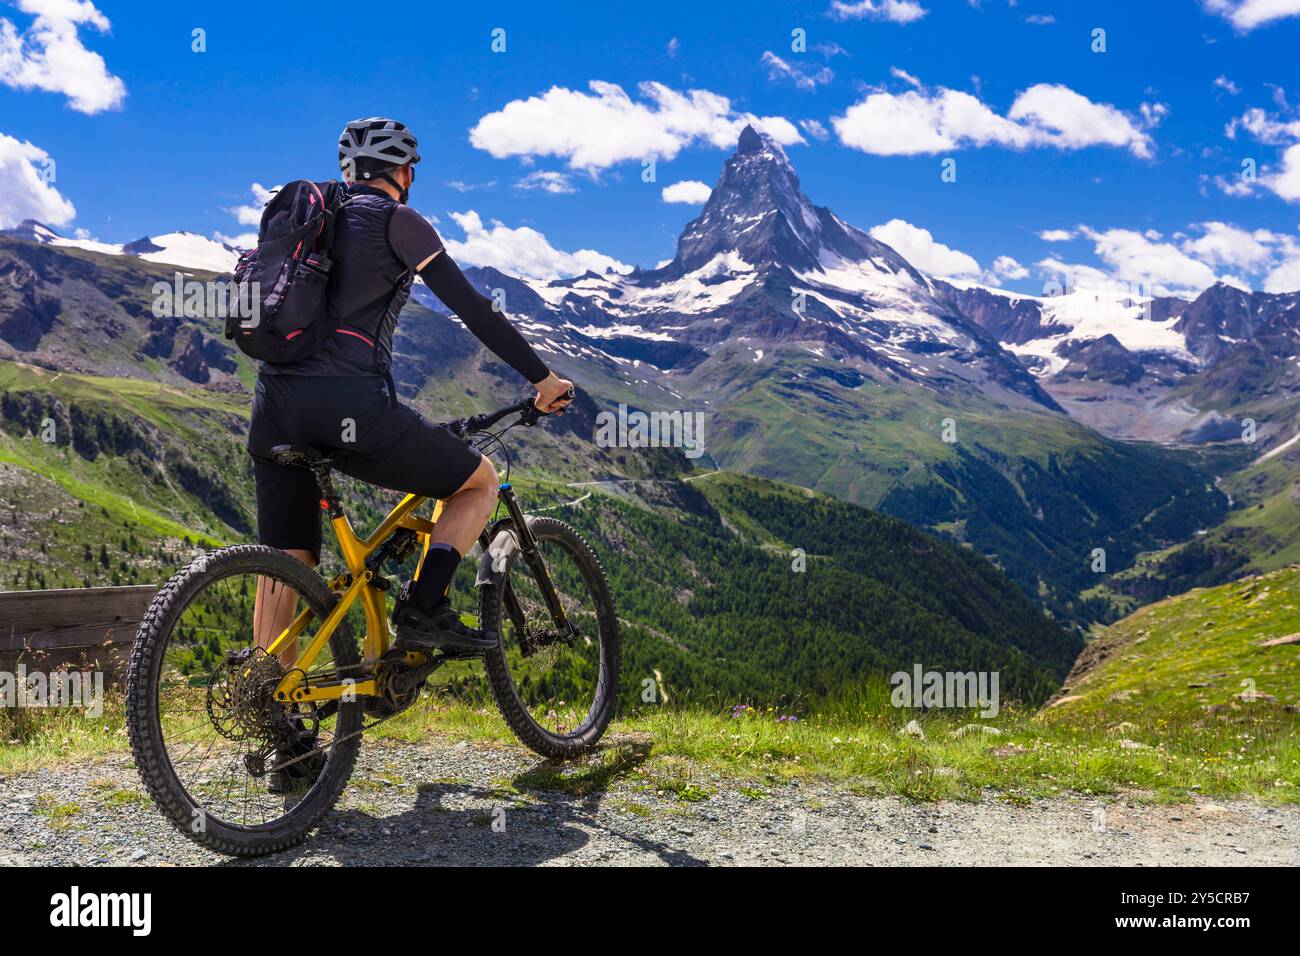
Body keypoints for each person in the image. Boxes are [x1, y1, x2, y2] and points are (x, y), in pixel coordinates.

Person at [248, 117, 573, 671]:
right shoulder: (400, 221)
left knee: (287, 562)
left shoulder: (310, 220)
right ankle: (425, 606)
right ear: (402, 171)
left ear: (349, 169)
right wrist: (542, 379)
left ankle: (271, 709)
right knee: (479, 482)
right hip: (349, 408)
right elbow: (473, 309)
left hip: (272, 411)